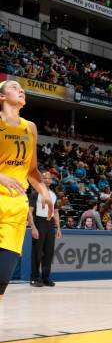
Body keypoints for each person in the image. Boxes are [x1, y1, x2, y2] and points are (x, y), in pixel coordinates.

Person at [0, 80, 53, 300]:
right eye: (13, 87)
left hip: (14, 209)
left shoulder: (29, 127)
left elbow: (31, 169)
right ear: (2, 97)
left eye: (22, 88)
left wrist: (44, 192)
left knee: (2, 280)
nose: (20, 90)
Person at [28, 170, 61, 287]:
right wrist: (33, 227)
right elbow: (29, 212)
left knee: (49, 253)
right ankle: (34, 278)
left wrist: (58, 228)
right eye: (44, 178)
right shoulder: (35, 193)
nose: (47, 180)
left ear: (51, 180)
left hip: (50, 223)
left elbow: (56, 212)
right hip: (39, 222)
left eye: (49, 178)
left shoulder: (53, 194)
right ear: (40, 179)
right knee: (37, 252)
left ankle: (45, 277)